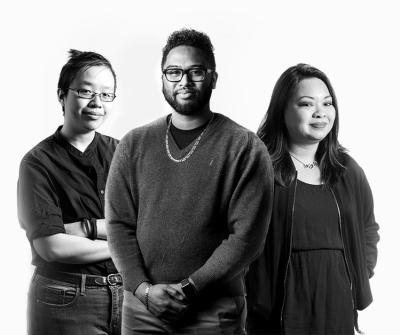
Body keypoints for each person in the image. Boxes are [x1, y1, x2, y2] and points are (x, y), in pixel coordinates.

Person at [105, 28, 274, 334]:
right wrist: (143, 290)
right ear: (162, 80)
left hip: (213, 310)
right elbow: (118, 225)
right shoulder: (134, 144)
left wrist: (190, 288)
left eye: (196, 71)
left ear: (213, 78)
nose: (184, 81)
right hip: (142, 310)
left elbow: (246, 238)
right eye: (173, 72)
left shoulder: (245, 147)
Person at [246, 64, 379, 335]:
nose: (320, 112)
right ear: (282, 111)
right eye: (307, 104)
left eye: (327, 103)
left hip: (338, 306)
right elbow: (235, 239)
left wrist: (358, 273)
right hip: (278, 309)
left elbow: (368, 229)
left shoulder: (347, 171)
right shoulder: (259, 170)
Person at [17, 49, 123, 335]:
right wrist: (124, 245)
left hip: (129, 297)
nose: (97, 103)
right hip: (65, 297)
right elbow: (52, 247)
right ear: (62, 94)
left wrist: (82, 228)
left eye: (106, 94)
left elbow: (150, 224)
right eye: (86, 91)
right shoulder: (38, 162)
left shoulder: (124, 154)